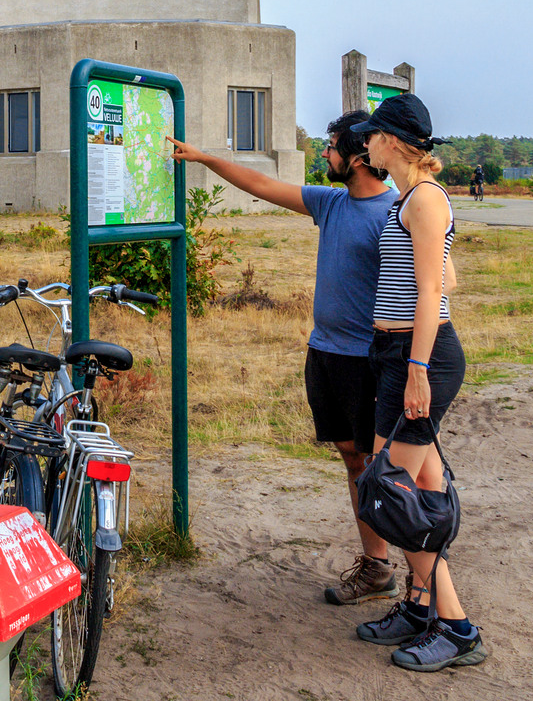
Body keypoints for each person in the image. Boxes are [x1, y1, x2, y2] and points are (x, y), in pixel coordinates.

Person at [170, 113, 399, 606]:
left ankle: (414, 578)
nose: (325, 155)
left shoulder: (398, 213)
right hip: (326, 354)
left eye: (332, 147)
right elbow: (262, 184)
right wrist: (206, 158)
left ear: (360, 155)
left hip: (370, 363)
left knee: (384, 467)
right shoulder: (332, 202)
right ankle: (378, 566)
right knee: (352, 459)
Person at [349, 93, 486, 671]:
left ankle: (456, 629)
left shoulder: (425, 199)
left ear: (394, 142)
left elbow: (434, 290)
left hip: (416, 356)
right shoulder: (412, 198)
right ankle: (420, 607)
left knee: (390, 495)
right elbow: (445, 272)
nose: (365, 144)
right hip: (397, 350)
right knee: (421, 498)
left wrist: (418, 369)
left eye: (372, 135)